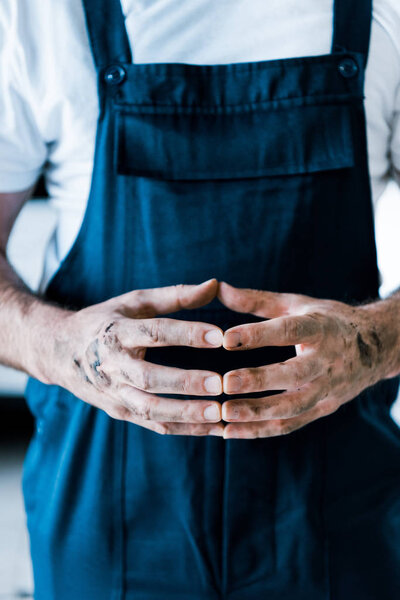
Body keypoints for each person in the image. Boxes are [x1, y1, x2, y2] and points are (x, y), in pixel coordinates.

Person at [1, 0, 400, 598]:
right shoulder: (38, 16)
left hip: (334, 517)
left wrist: (374, 344)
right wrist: (62, 347)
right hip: (106, 515)